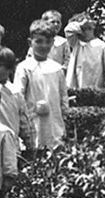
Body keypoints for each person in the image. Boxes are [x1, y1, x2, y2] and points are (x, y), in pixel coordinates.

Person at [16, 20, 68, 152]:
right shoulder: (24, 68)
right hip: (33, 122)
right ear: (30, 43)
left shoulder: (57, 68)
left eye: (48, 42)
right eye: (38, 41)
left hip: (54, 123)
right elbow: (19, 98)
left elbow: (63, 97)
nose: (43, 46)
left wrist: (65, 118)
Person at [0, 47, 29, 147]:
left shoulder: (15, 92)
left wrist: (28, 139)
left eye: (0, 65)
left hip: (11, 143)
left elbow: (23, 118)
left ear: (10, 68)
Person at [65, 16, 105, 98]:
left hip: (97, 90)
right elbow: (68, 30)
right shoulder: (76, 43)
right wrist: (81, 24)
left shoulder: (102, 46)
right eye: (83, 29)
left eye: (89, 28)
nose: (87, 32)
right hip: (77, 89)